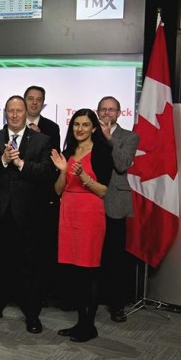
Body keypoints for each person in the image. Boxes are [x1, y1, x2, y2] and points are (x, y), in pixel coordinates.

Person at [0, 96, 54, 334]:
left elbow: (46, 172)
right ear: (5, 113)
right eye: (10, 111)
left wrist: (21, 163)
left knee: (29, 267)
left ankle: (32, 314)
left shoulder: (42, 140)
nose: (14, 115)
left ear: (26, 112)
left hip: (30, 214)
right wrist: (2, 160)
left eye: (19, 110)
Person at [51, 108, 113, 342]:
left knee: (89, 271)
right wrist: (64, 172)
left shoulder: (102, 152)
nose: (80, 129)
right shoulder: (67, 152)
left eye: (85, 125)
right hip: (68, 213)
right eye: (76, 124)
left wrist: (84, 177)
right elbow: (58, 189)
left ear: (94, 128)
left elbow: (104, 190)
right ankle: (80, 323)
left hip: (90, 214)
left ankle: (89, 326)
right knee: (74, 272)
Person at [97, 96, 139, 323]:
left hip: (115, 201)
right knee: (92, 253)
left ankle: (116, 305)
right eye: (103, 109)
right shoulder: (88, 131)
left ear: (119, 113)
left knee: (115, 256)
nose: (107, 113)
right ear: (97, 112)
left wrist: (109, 139)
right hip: (91, 200)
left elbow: (122, 164)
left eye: (111, 110)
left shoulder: (129, 136)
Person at [23, 85, 62, 307]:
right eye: (31, 98)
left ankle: (39, 294)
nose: (34, 103)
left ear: (43, 102)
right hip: (17, 192)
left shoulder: (51, 127)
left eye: (39, 99)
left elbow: (53, 163)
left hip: (40, 194)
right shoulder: (13, 123)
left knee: (40, 247)